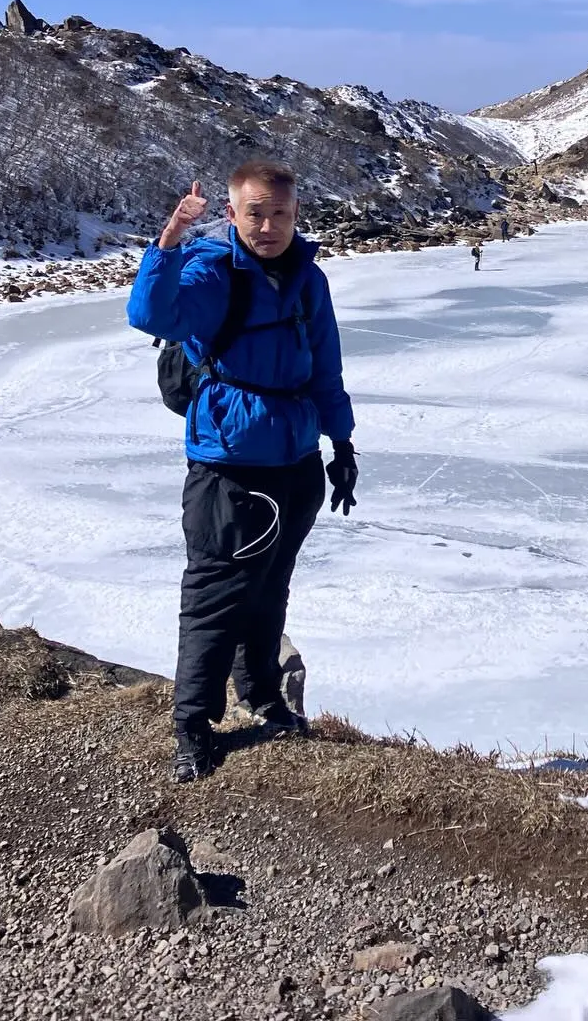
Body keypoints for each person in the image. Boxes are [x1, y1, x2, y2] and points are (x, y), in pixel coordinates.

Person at [127, 160, 357, 783]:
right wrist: (170, 240)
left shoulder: (309, 279)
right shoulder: (211, 269)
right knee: (213, 597)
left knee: (269, 587)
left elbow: (325, 367)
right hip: (228, 465)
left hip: (297, 461)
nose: (268, 225)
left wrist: (343, 445)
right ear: (233, 213)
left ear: (295, 214)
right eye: (254, 212)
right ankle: (192, 725)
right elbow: (151, 314)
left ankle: (261, 693)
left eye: (279, 213)